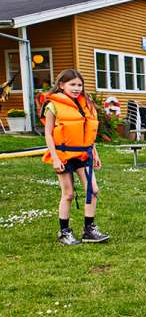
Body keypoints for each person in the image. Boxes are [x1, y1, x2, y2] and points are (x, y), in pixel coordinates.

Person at [40, 69, 109, 245]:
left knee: (92, 190)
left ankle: (89, 230)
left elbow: (88, 132)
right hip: (63, 154)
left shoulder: (86, 104)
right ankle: (64, 232)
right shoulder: (52, 105)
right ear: (62, 85)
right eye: (72, 84)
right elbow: (48, 134)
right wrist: (54, 158)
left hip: (83, 153)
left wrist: (95, 153)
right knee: (68, 194)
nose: (77, 88)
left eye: (79, 84)